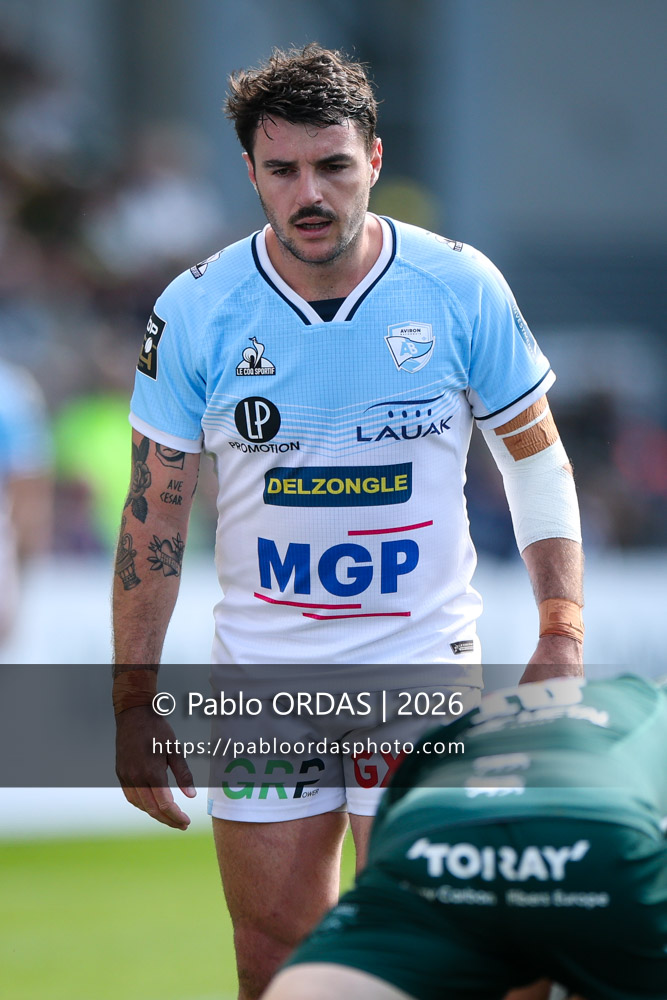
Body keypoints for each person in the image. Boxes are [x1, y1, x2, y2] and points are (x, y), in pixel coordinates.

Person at [112, 44, 584, 1000]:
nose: (310, 193)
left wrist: (561, 630)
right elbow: (151, 514)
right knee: (277, 965)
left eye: (331, 165)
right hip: (263, 676)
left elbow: (535, 459)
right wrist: (131, 700)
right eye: (282, 171)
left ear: (372, 157)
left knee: (465, 951)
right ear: (250, 174)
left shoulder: (457, 286)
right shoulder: (199, 309)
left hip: (419, 663)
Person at [262, 674, 667, 1000]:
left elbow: (392, 831)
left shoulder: (468, 722)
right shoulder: (652, 708)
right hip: (595, 837)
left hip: (434, 835)